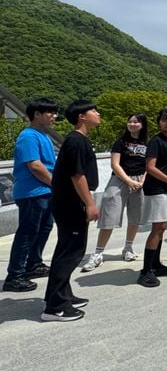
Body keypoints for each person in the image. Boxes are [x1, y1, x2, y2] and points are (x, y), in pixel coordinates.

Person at [41, 100, 101, 321]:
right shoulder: (75, 140)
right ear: (81, 117)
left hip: (70, 202)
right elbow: (77, 175)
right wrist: (90, 204)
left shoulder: (79, 139)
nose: (98, 113)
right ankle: (55, 307)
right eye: (93, 110)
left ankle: (60, 295)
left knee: (66, 249)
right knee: (71, 252)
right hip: (71, 203)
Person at [3, 98, 59, 293]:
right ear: (37, 114)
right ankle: (15, 276)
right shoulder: (28, 136)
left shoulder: (43, 135)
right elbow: (35, 166)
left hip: (45, 191)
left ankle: (33, 264)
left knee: (44, 228)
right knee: (27, 233)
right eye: (50, 112)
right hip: (32, 192)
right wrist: (56, 184)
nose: (54, 116)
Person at [82, 113, 148, 272]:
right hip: (120, 180)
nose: (132, 124)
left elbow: (149, 164)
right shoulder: (120, 142)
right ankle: (98, 253)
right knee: (109, 214)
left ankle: (128, 248)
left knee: (135, 216)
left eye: (136, 122)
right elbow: (115, 164)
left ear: (143, 125)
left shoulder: (148, 143)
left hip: (140, 181)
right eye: (130, 121)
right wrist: (129, 181)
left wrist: (142, 180)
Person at [138, 108, 167, 288]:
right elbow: (150, 167)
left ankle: (156, 265)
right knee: (158, 227)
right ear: (159, 122)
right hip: (156, 187)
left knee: (163, 226)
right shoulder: (156, 141)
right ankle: (146, 271)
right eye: (164, 120)